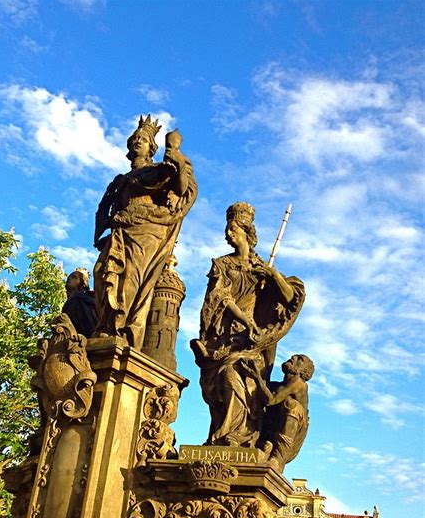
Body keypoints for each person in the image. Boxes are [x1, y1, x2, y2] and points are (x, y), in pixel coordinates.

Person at [191, 202, 305, 448]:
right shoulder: (221, 265)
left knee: (238, 376)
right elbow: (220, 297)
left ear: (247, 233)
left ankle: (237, 436)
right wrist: (244, 320)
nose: (228, 234)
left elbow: (289, 298)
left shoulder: (260, 268)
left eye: (233, 230)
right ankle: (224, 433)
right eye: (227, 230)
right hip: (226, 337)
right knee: (221, 381)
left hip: (254, 342)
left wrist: (272, 276)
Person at [93, 115, 197, 349]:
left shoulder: (159, 171)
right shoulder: (122, 180)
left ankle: (122, 330)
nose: (138, 141)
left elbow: (181, 188)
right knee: (101, 272)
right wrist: (104, 228)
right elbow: (107, 207)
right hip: (120, 230)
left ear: (152, 147)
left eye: (144, 139)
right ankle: (106, 325)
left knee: (129, 277)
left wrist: (176, 154)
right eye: (136, 138)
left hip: (146, 231)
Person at [258, 354, 314, 472]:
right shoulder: (278, 385)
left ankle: (277, 459)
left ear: (304, 371)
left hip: (292, 435)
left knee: (292, 405)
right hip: (273, 428)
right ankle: (264, 444)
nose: (293, 357)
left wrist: (256, 377)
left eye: (300, 359)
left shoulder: (299, 384)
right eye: (295, 356)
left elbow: (271, 400)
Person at [62, 268, 97, 339]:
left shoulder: (80, 299)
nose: (69, 279)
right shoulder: (70, 302)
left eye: (74, 278)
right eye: (69, 277)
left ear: (83, 284)